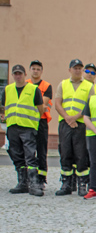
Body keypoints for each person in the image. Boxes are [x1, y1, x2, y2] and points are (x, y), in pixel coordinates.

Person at [53, 58, 94, 196]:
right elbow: (58, 103)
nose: (77, 70)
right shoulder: (63, 84)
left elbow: (90, 105)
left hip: (80, 124)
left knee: (81, 154)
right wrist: (68, 118)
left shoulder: (88, 86)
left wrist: (75, 117)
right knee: (65, 153)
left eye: (79, 68)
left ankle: (82, 183)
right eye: (75, 68)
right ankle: (66, 183)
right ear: (69, 70)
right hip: (65, 123)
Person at [2, 64, 44, 196]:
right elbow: (3, 107)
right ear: (12, 75)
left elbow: (40, 108)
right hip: (12, 127)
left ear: (25, 75)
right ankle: (22, 183)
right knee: (16, 155)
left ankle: (34, 183)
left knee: (30, 155)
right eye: (15, 73)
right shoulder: (7, 89)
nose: (18, 76)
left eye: (20, 73)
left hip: (28, 127)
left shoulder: (33, 89)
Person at [27, 60, 52, 188]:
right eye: (33, 68)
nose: (35, 71)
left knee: (41, 150)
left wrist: (36, 105)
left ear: (41, 71)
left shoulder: (46, 86)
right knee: (27, 151)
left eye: (38, 69)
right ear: (30, 70)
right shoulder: (25, 84)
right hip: (27, 121)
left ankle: (41, 178)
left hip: (41, 121)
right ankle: (28, 178)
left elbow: (41, 108)